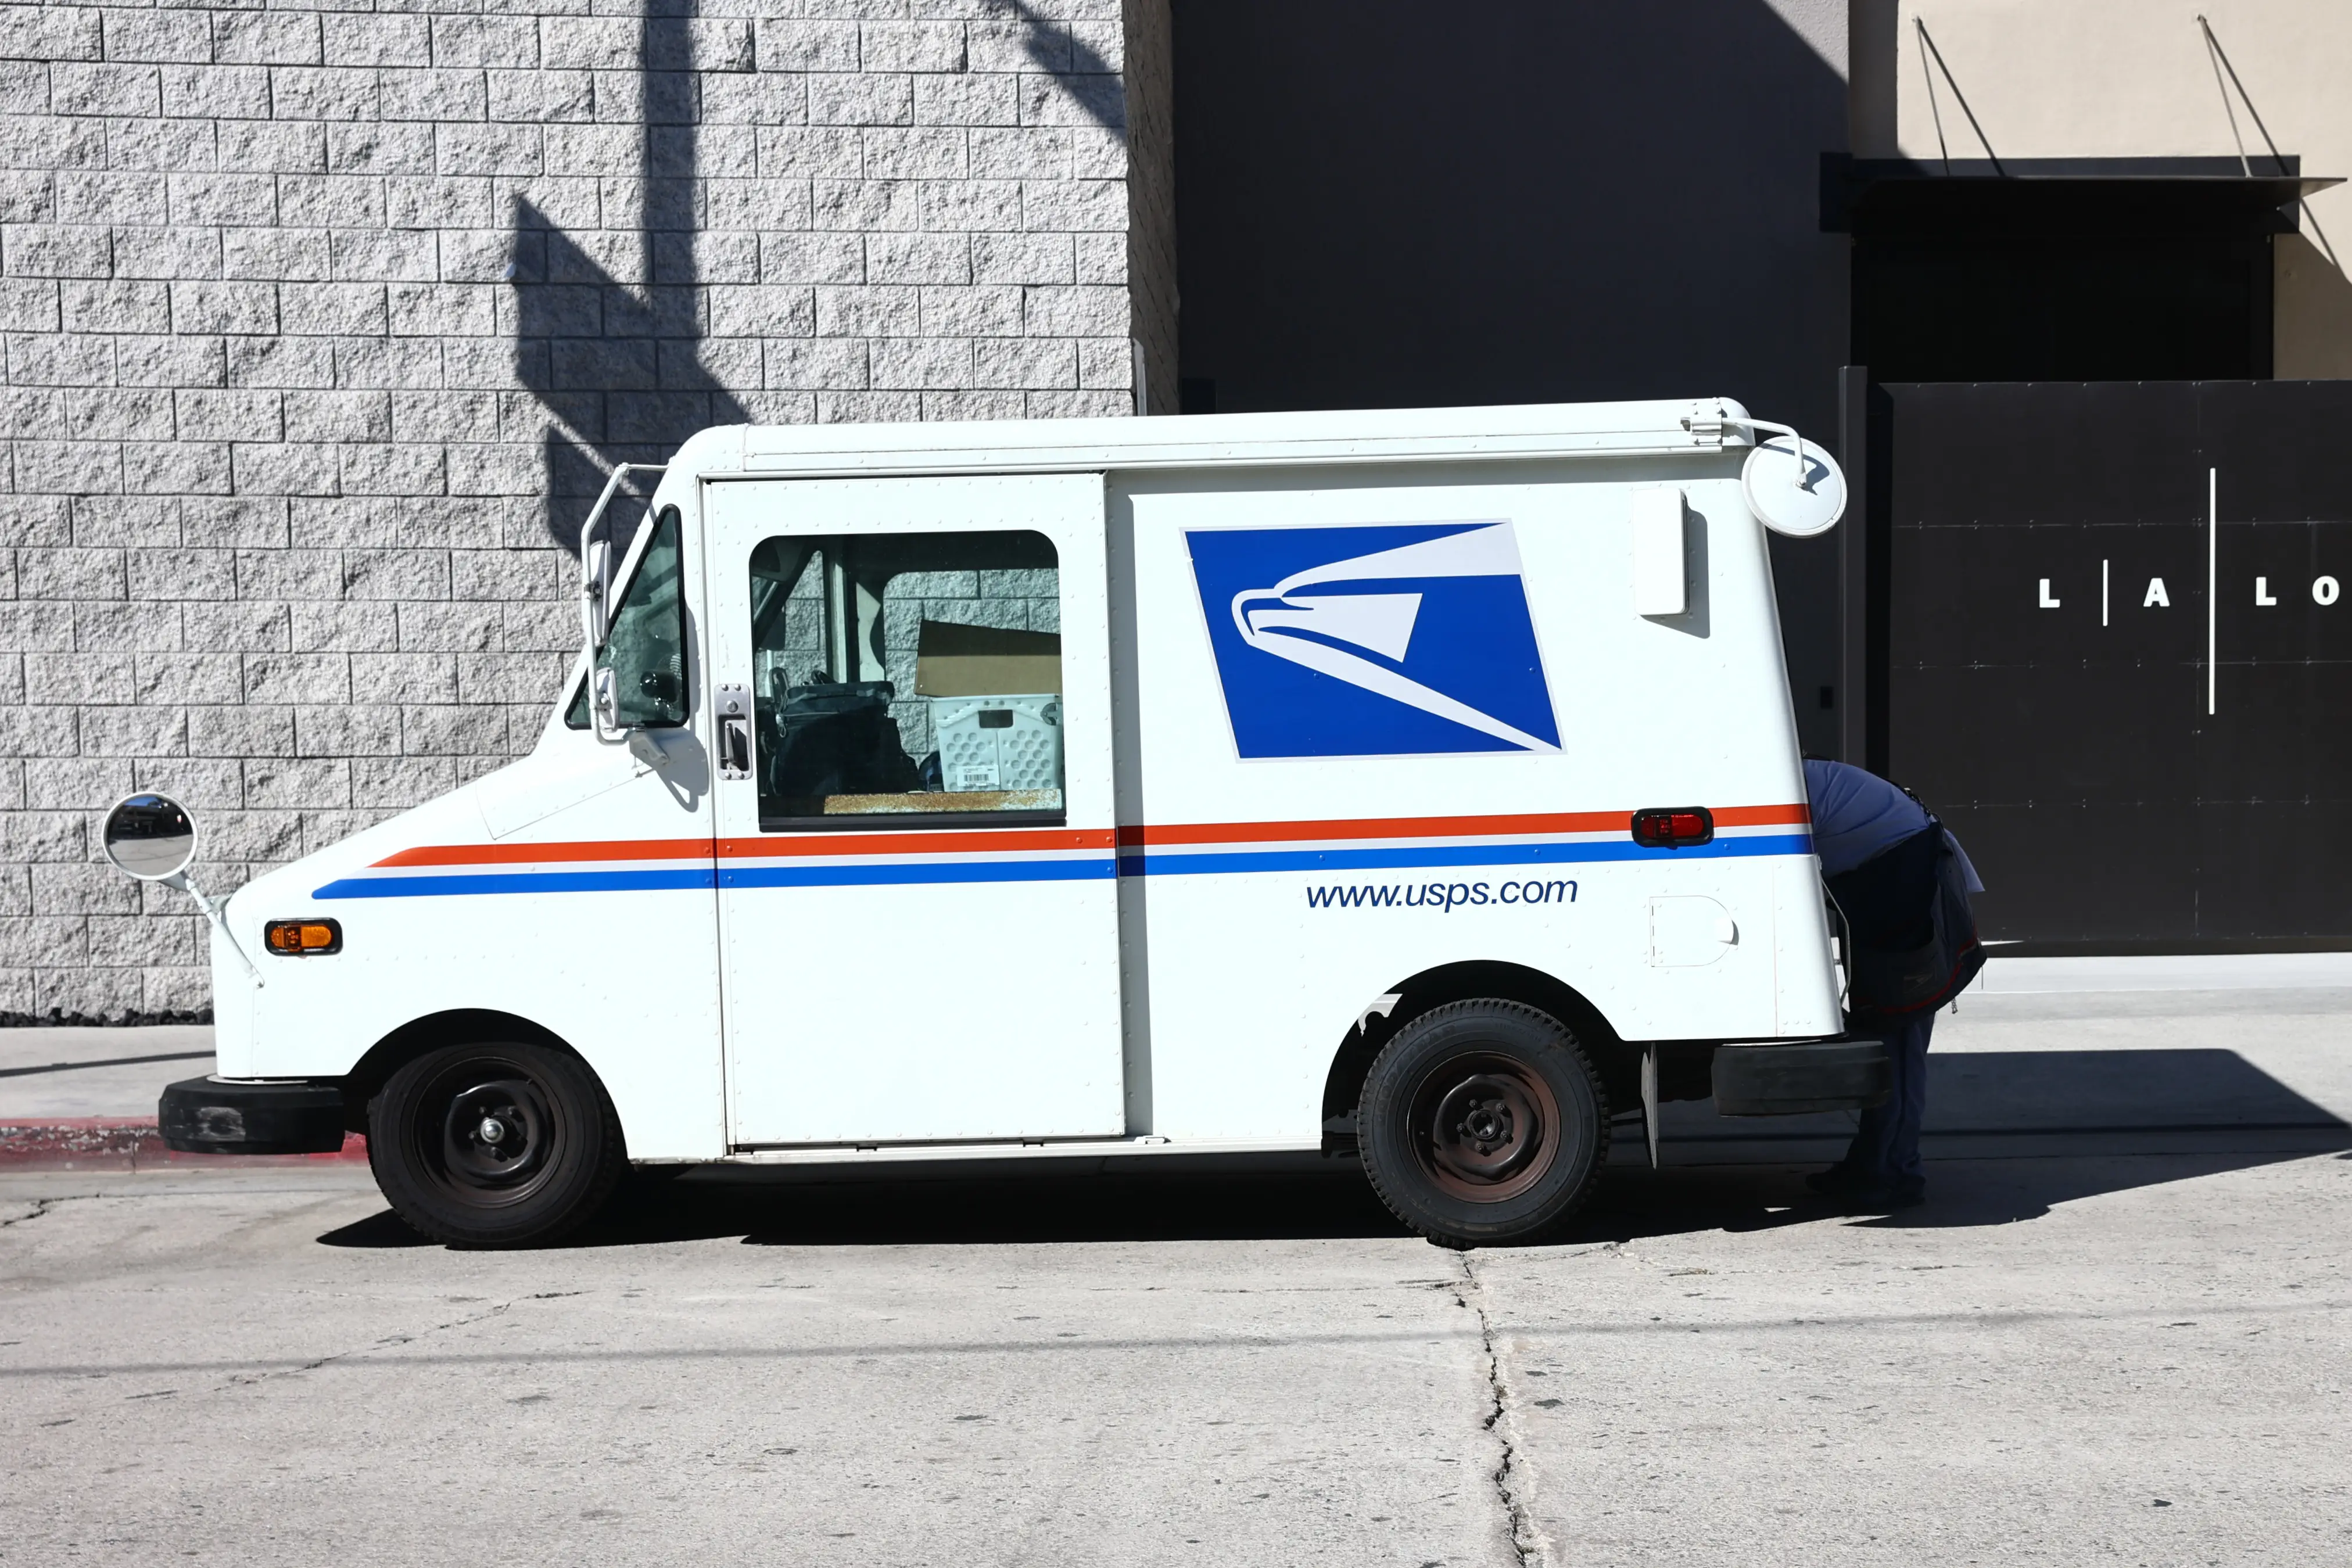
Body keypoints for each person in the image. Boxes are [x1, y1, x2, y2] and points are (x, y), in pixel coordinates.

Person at [1800, 759, 1984, 1211]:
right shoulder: (1801, 775)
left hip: (1905, 887)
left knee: (1896, 1042)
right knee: (1886, 1039)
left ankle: (1897, 1174)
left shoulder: (1786, 782)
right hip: (1886, 882)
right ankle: (1873, 1164)